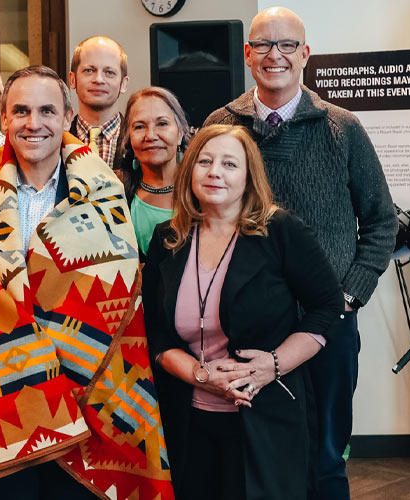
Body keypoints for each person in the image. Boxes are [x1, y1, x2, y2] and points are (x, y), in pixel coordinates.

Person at [0, 65, 173, 500]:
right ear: (4, 119)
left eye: (46, 111)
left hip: (87, 398)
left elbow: (118, 295)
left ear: (66, 116)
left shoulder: (104, 192)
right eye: (20, 111)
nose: (33, 123)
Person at [203, 7, 396, 499]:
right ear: (247, 55)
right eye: (264, 45)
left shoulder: (342, 127)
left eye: (288, 45)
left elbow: (380, 221)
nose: (276, 55)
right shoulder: (222, 126)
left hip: (328, 323)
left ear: (305, 54)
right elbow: (204, 215)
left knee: (327, 455)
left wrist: (349, 296)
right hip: (250, 327)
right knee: (257, 454)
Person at [143, 124, 344, 500]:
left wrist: (274, 364)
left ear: (249, 177)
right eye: (204, 161)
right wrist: (199, 375)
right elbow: (155, 330)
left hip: (266, 416)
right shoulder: (167, 238)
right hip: (186, 420)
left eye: (229, 164)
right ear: (189, 172)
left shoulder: (280, 230)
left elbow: (327, 307)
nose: (214, 171)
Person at [115, 87, 191, 257]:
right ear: (128, 137)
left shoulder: (202, 190)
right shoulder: (114, 193)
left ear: (180, 133)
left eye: (162, 124)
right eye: (139, 126)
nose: (150, 135)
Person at [67, 36, 129, 168]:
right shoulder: (55, 141)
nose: (99, 79)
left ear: (123, 83)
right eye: (89, 71)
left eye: (109, 72)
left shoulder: (140, 141)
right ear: (72, 80)